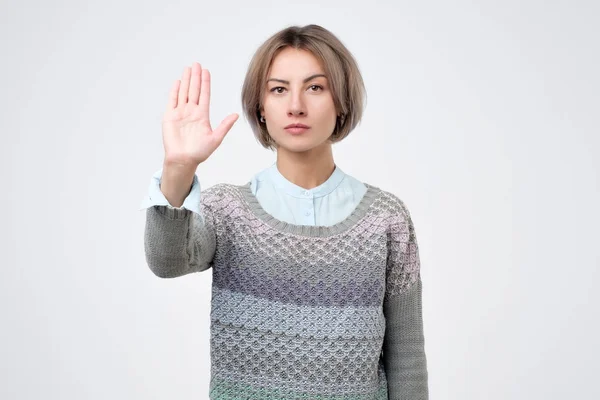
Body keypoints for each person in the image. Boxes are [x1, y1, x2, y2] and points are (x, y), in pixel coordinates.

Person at [140, 24, 429, 400]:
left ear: (341, 101)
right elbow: (166, 260)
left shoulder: (385, 219)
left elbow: (406, 357)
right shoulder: (227, 210)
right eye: (278, 89)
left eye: (315, 87)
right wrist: (178, 167)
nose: (296, 105)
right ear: (261, 108)